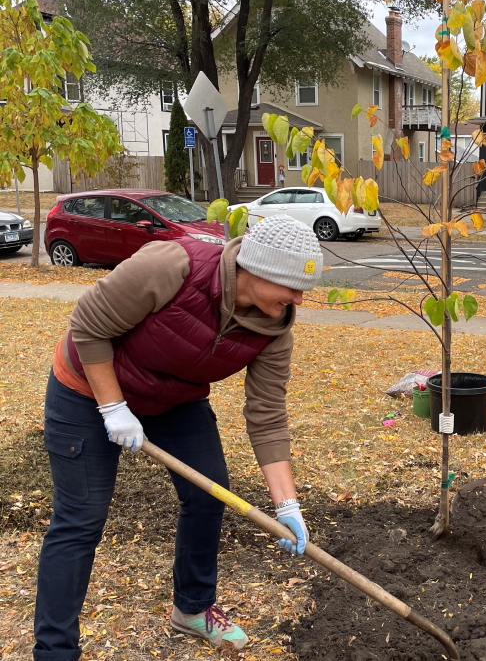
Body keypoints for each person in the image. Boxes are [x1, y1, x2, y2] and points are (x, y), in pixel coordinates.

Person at [34, 215, 323, 659]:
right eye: (291, 286)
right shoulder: (173, 266)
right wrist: (112, 407)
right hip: (86, 386)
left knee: (209, 496)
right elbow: (88, 325)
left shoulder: (274, 328)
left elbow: (267, 415)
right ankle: (54, 651)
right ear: (257, 270)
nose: (298, 300)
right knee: (80, 521)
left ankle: (192, 608)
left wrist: (287, 505)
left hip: (174, 399)